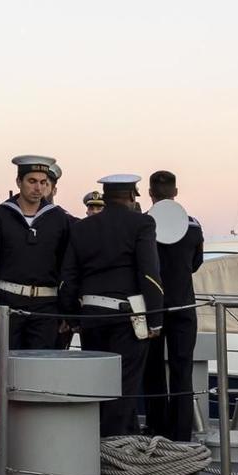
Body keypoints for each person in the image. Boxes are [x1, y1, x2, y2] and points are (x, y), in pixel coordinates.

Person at [62, 174, 164, 438]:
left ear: (105, 198)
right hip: (126, 318)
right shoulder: (142, 223)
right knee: (123, 386)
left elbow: (69, 276)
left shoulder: (82, 228)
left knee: (98, 384)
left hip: (90, 317)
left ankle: (115, 439)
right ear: (132, 197)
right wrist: (155, 318)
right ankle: (114, 450)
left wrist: (72, 317)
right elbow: (150, 273)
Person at [0, 155, 74, 350]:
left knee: (41, 370)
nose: (38, 188)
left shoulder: (59, 219)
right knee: (8, 371)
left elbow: (68, 268)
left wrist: (67, 310)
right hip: (7, 305)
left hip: (47, 307)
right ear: (19, 182)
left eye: (43, 182)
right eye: (32, 181)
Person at [148, 169, 205, 443]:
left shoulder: (143, 225)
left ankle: (157, 430)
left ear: (150, 194)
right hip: (183, 306)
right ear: (176, 193)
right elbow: (195, 263)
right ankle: (182, 435)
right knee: (183, 371)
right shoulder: (193, 227)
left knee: (153, 369)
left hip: (153, 308)